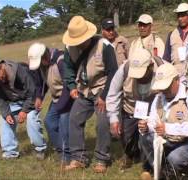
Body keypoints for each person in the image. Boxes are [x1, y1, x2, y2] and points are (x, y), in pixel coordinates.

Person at [62, 15, 118, 173]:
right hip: (83, 89)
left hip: (102, 87)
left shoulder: (104, 45)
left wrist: (104, 96)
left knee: (102, 121)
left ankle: (102, 158)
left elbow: (113, 72)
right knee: (74, 119)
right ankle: (78, 158)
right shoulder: (69, 48)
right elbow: (68, 68)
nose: (79, 43)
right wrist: (72, 85)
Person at [138, 63, 188, 180]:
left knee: (175, 157)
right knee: (144, 137)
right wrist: (147, 126)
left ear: (177, 80)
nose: (164, 90)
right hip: (166, 140)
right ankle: (160, 170)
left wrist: (168, 128)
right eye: (161, 87)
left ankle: (167, 170)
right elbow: (154, 119)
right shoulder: (159, 97)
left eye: (167, 86)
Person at [106, 48, 164, 170]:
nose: (139, 78)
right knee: (127, 139)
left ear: (151, 66)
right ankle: (130, 155)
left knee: (151, 139)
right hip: (131, 109)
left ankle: (155, 159)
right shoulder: (124, 69)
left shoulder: (162, 68)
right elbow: (113, 94)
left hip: (155, 112)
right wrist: (113, 119)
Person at [28, 43, 73, 165]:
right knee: (49, 122)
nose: (41, 64)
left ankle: (68, 156)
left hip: (69, 97)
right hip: (57, 98)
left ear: (46, 55)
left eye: (41, 60)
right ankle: (61, 150)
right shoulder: (40, 66)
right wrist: (39, 97)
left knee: (64, 125)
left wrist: (59, 108)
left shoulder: (61, 60)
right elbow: (40, 84)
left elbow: (68, 85)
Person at [0, 60, 47, 160]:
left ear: (0, 67)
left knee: (31, 118)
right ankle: (10, 153)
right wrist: (7, 114)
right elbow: (1, 99)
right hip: (14, 103)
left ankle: (40, 149)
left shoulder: (18, 70)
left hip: (30, 100)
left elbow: (32, 93)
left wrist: (24, 111)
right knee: (4, 119)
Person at [162, 3, 188, 78]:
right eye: (178, 15)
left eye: (183, 15)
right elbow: (166, 58)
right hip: (175, 75)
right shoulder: (172, 34)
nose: (180, 18)